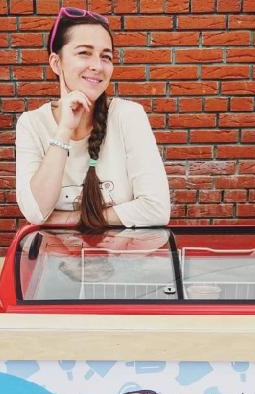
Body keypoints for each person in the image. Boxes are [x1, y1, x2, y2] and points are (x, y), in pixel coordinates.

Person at [15, 7, 171, 233]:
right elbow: (36, 212)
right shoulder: (32, 124)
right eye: (84, 53)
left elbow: (157, 209)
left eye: (106, 56)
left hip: (124, 254)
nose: (97, 66)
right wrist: (64, 130)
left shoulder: (128, 116)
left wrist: (63, 219)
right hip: (56, 255)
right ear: (56, 63)